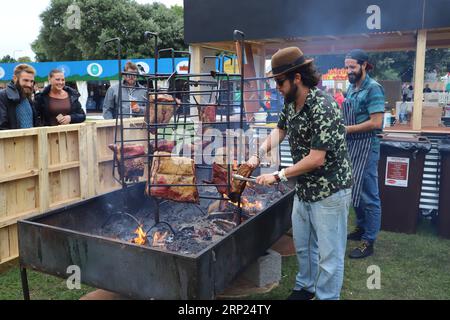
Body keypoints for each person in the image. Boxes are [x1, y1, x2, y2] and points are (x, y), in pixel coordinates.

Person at [248, 47, 352, 300]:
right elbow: (280, 130)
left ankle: (327, 296)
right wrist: (258, 153)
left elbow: (317, 159)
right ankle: (305, 288)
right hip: (305, 189)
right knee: (304, 247)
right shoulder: (290, 103)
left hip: (330, 191)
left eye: (279, 82)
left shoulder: (323, 106)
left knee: (329, 255)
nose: (277, 87)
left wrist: (278, 175)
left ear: (297, 78)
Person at [343, 49, 385, 259]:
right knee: (355, 190)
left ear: (364, 65)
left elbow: (376, 123)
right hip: (352, 147)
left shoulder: (373, 89)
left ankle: (369, 241)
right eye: (347, 67)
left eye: (352, 67)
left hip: (368, 147)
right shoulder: (351, 88)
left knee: (369, 196)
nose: (349, 71)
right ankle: (360, 228)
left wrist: (346, 130)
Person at [0, 64, 40, 130]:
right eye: (26, 80)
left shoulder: (27, 96)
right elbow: (2, 127)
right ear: (15, 78)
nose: (29, 85)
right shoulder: (3, 96)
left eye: (32, 81)